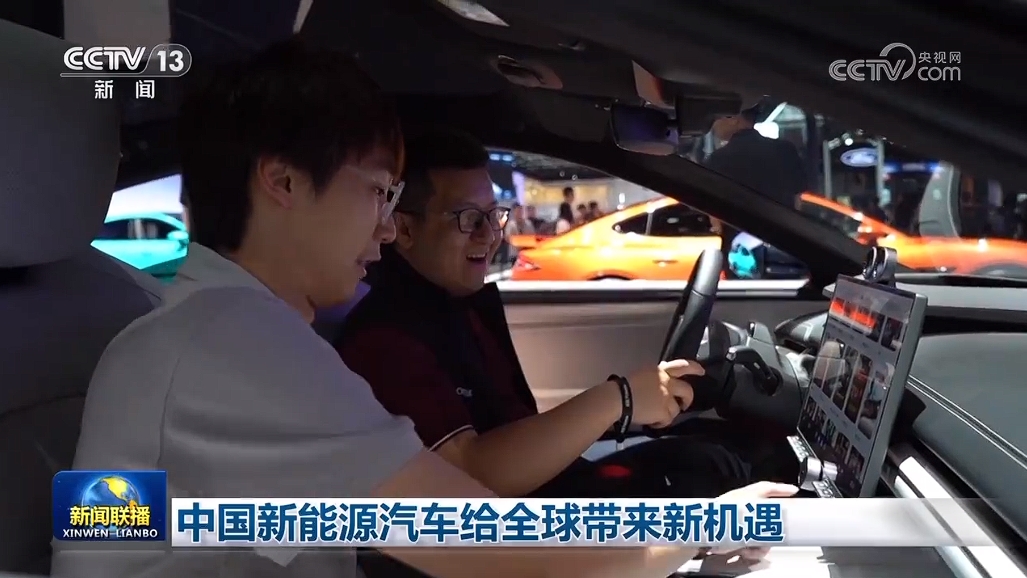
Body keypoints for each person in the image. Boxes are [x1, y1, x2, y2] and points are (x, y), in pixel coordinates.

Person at [53, 40, 794, 578]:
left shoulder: (208, 327)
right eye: (379, 193)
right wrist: (710, 525)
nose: (386, 228)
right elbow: (484, 546)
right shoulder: (230, 339)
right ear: (282, 181)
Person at [338, 127, 773, 501]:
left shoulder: (457, 307)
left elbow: (512, 430)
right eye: (468, 219)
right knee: (717, 470)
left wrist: (621, 406)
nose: (489, 236)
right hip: (509, 537)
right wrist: (619, 400)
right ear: (405, 228)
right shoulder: (386, 341)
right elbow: (470, 475)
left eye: (494, 216)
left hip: (541, 501)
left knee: (715, 456)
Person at [705, 101, 808, 277]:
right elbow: (797, 202)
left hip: (739, 255)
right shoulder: (785, 150)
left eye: (716, 118)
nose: (713, 125)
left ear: (734, 118)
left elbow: (715, 217)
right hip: (783, 252)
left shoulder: (717, 159)